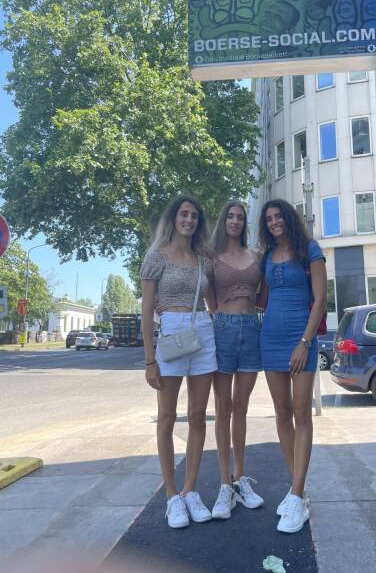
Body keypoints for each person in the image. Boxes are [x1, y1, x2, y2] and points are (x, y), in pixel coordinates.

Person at [140, 195, 218, 529]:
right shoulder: (156, 257)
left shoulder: (203, 259)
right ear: (173, 218)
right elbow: (146, 312)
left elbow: (213, 302)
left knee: (198, 415)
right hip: (171, 332)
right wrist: (149, 361)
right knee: (167, 416)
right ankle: (171, 495)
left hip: (202, 332)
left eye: (194, 216)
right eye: (184, 214)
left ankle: (190, 490)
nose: (189, 220)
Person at [257, 199, 327, 534]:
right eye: (269, 219)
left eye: (278, 216)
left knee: (301, 413)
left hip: (301, 339)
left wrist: (304, 342)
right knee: (282, 413)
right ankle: (296, 489)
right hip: (270, 339)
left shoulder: (309, 249)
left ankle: (298, 495)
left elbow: (321, 299)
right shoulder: (267, 257)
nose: (274, 222)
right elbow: (260, 298)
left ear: (288, 217)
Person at [206, 202, 264, 520]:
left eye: (240, 217)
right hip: (223, 330)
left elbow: (264, 294)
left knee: (241, 408)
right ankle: (224, 485)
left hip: (252, 329)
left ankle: (240, 480)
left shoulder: (256, 256)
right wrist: (221, 319)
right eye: (230, 216)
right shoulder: (212, 258)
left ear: (244, 223)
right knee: (223, 408)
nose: (235, 220)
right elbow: (207, 296)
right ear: (223, 220)